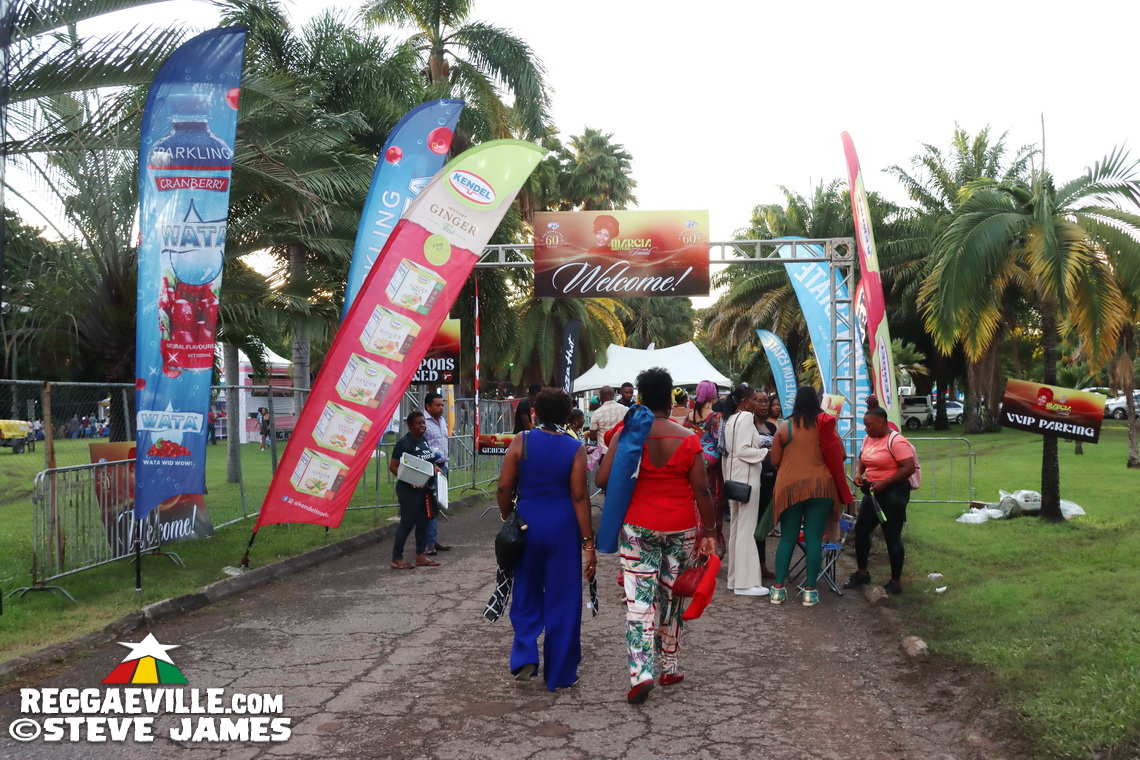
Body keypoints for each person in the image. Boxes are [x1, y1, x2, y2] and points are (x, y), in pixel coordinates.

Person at [597, 367, 717, 705]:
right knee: (672, 597)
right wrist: (709, 532)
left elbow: (602, 480)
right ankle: (671, 666)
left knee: (639, 602)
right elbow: (702, 490)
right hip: (680, 529)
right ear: (669, 398)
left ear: (639, 398)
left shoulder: (628, 436)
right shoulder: (688, 438)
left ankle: (641, 673)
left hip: (638, 528)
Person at [496, 388, 594, 690]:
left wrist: (507, 516)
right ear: (567, 415)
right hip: (562, 527)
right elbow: (579, 495)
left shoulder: (521, 440)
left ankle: (525, 654)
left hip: (528, 523)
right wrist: (588, 542)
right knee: (564, 598)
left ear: (535, 412)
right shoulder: (574, 447)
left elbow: (504, 487)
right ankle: (561, 673)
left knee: (526, 589)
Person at [768, 386, 847, 607]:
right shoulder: (826, 426)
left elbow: (775, 461)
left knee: (787, 538)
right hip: (821, 488)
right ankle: (810, 592)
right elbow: (841, 454)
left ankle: (777, 590)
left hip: (790, 488)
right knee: (814, 539)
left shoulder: (785, 428)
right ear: (816, 402)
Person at [844, 405, 916, 595]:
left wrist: (885, 483)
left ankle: (895, 582)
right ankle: (862, 573)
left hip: (893, 493)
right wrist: (859, 473)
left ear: (881, 422)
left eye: (868, 425)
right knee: (861, 530)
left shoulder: (896, 441)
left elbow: (908, 467)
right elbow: (862, 458)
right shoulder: (869, 438)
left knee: (892, 536)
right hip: (874, 491)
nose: (865, 429)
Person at [721, 384, 769, 597]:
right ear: (744, 402)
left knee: (737, 529)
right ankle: (745, 583)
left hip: (734, 479)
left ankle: (735, 580)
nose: (757, 404)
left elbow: (729, 452)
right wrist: (764, 452)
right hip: (747, 478)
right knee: (746, 530)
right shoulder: (746, 418)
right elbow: (743, 451)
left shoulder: (730, 419)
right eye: (755, 400)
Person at [389, 410, 443, 570]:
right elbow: (393, 466)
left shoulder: (423, 440)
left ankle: (420, 556)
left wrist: (434, 467)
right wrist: (410, 479)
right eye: (419, 423)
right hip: (408, 491)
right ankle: (396, 558)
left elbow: (425, 460)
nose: (422, 426)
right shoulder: (404, 444)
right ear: (410, 426)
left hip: (424, 489)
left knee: (423, 522)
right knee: (407, 523)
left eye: (423, 423)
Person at [751, 390, 777, 580]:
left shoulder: (771, 427)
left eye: (766, 401)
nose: (764, 405)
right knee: (752, 525)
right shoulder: (748, 426)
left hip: (770, 480)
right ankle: (753, 566)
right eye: (759, 401)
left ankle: (761, 566)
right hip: (754, 480)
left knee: (763, 526)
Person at [422, 392, 452, 556]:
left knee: (437, 505)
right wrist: (432, 465)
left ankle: (433, 539)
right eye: (438, 405)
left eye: (442, 405)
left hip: (442, 468)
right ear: (428, 406)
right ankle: (427, 543)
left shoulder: (441, 421)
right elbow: (421, 447)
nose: (441, 408)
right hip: (429, 468)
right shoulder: (422, 423)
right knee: (430, 506)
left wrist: (446, 465)